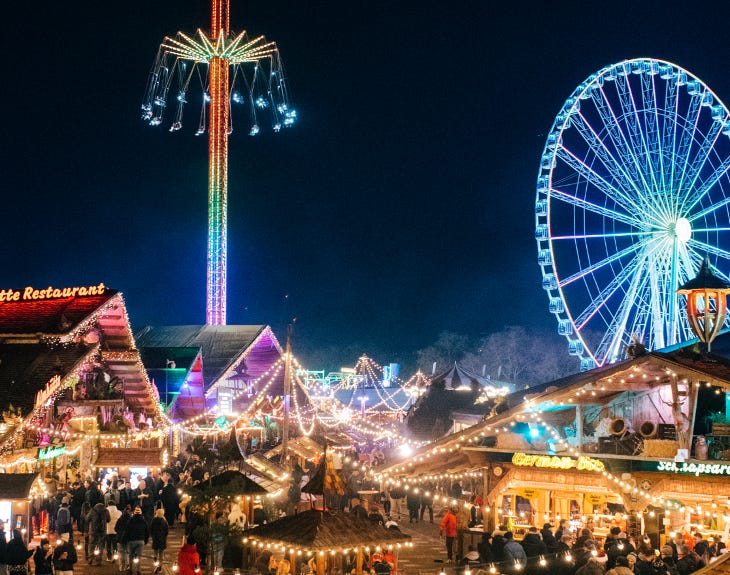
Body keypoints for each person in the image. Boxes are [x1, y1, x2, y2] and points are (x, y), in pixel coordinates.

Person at [126, 507, 149, 575]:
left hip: (131, 540)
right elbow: (147, 532)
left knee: (130, 556)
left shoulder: (131, 520)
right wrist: (145, 540)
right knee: (139, 556)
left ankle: (130, 570)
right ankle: (138, 570)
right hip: (140, 540)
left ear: (134, 513)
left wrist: (126, 539)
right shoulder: (144, 521)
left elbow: (127, 530)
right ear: (141, 513)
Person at [88, 501, 110, 565]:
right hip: (103, 530)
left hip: (94, 530)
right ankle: (99, 560)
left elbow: (87, 519)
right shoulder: (106, 511)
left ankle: (91, 558)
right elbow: (109, 520)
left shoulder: (92, 511)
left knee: (92, 544)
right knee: (101, 544)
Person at [150, 508, 169, 573]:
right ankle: (160, 567)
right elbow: (167, 531)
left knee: (155, 553)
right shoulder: (164, 521)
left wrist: (153, 536)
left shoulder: (153, 520)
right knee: (161, 554)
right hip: (162, 540)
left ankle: (156, 564)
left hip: (155, 539)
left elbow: (151, 529)